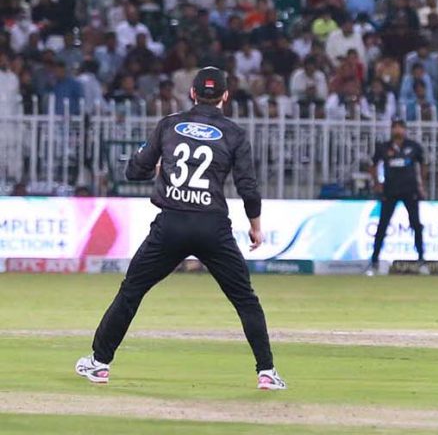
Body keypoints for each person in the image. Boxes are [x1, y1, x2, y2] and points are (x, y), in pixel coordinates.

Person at [75, 66, 286, 390]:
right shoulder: (233, 134)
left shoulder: (169, 124)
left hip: (171, 224)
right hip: (213, 227)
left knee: (131, 292)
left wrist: (156, 163)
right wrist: (255, 226)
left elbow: (134, 171)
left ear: (192, 93)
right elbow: (247, 185)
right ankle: (267, 372)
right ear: (225, 97)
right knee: (245, 299)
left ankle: (99, 363)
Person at [366, 118, 428, 275]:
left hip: (410, 189)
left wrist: (421, 184)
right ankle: (374, 262)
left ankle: (421, 261)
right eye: (395, 128)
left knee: (416, 225)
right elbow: (372, 165)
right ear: (392, 130)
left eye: (401, 127)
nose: (398, 130)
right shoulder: (383, 147)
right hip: (390, 190)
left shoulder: (413, 147)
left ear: (405, 130)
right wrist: (377, 183)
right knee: (382, 226)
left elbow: (423, 164)